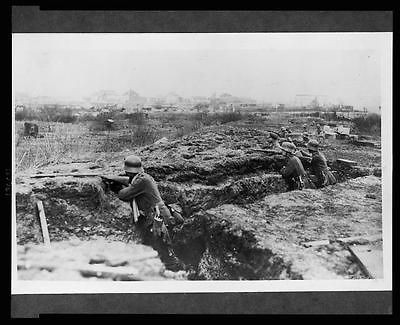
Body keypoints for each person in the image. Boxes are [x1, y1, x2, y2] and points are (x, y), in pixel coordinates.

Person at [116, 155, 184, 271]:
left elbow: (123, 194)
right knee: (157, 247)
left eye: (127, 173)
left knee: (163, 248)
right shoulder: (143, 177)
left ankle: (178, 272)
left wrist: (115, 186)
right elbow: (130, 182)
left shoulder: (141, 181)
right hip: (158, 214)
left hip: (157, 217)